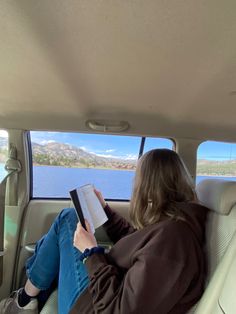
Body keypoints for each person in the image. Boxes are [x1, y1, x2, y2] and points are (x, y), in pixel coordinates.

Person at [0, 149, 208, 314]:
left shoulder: (174, 243)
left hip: (96, 305)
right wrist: (105, 210)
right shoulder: (172, 226)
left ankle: (24, 301)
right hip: (106, 288)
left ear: (149, 186)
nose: (135, 185)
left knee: (67, 218)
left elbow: (119, 309)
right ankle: (28, 298)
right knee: (67, 222)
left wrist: (91, 253)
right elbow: (138, 242)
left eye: (138, 178)